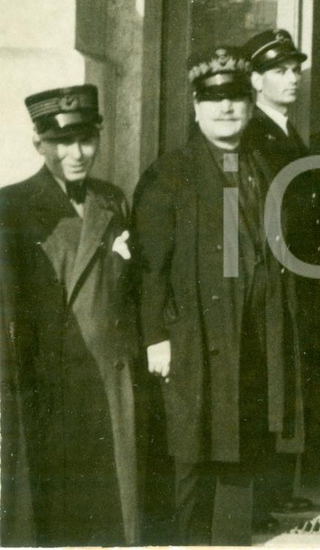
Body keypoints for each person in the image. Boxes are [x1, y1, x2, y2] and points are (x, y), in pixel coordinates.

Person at [133, 47, 304, 544]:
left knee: (241, 441)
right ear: (195, 106)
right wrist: (156, 337)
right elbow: (149, 270)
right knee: (192, 448)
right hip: (193, 336)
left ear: (249, 103)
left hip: (249, 331)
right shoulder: (169, 174)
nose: (227, 107)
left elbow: (256, 246)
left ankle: (230, 540)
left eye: (236, 97)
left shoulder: (260, 165)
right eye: (214, 98)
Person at [0, 84, 139, 545]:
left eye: (85, 140)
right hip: (48, 379)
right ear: (38, 143)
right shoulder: (12, 206)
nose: (76, 154)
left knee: (110, 508)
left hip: (107, 377)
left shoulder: (112, 200)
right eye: (61, 142)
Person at [241, 27, 320, 516]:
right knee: (266, 379)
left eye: (294, 70)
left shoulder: (287, 131)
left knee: (286, 378)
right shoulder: (253, 134)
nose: (292, 79)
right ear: (255, 80)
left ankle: (276, 488)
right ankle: (262, 494)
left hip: (297, 275)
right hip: (271, 275)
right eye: (279, 71)